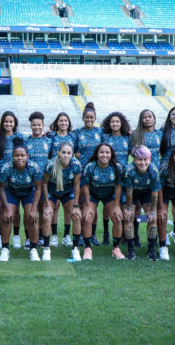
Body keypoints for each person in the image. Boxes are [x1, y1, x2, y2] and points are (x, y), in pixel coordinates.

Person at [0, 138, 44, 261]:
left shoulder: (34, 167)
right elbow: (1, 189)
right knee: (7, 217)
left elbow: (39, 189)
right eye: (17, 155)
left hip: (28, 193)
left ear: (27, 156)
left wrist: (34, 208)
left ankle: (33, 249)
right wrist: (6, 208)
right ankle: (5, 249)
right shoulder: (6, 167)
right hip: (11, 192)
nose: (20, 158)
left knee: (32, 217)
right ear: (13, 156)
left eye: (22, 155)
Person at [81, 143, 123, 261]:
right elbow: (85, 186)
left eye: (107, 152)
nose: (104, 155)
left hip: (109, 195)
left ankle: (116, 248)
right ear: (97, 154)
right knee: (87, 217)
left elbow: (118, 186)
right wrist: (88, 204)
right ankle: (88, 249)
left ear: (111, 154)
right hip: (93, 194)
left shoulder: (117, 167)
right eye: (101, 152)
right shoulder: (90, 166)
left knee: (117, 218)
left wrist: (116, 205)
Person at [42, 142, 82, 261]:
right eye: (63, 152)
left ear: (72, 154)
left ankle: (75, 249)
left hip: (67, 192)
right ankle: (46, 248)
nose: (66, 155)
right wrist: (47, 203)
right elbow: (44, 184)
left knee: (76, 216)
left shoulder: (76, 165)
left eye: (69, 153)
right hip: (52, 192)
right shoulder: (50, 165)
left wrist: (75, 205)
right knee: (47, 216)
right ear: (58, 153)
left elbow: (77, 185)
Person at [122, 145, 162, 261]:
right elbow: (129, 191)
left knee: (152, 219)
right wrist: (129, 208)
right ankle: (130, 250)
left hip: (146, 193)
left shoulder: (154, 170)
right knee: (128, 218)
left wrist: (152, 212)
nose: (143, 162)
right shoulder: (129, 170)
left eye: (145, 159)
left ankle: (151, 251)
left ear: (150, 159)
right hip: (132, 193)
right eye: (139, 159)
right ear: (134, 160)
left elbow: (155, 193)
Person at [129, 109, 162, 247]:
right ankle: (135, 236)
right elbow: (131, 151)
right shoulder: (136, 134)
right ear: (141, 120)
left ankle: (153, 241)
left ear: (154, 119)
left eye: (150, 117)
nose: (147, 119)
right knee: (135, 210)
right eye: (144, 117)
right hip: (138, 174)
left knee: (152, 211)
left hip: (154, 175)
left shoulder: (159, 134)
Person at [73, 103, 103, 246]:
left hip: (96, 174)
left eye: (92, 117)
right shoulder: (77, 132)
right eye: (87, 117)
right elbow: (68, 144)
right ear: (83, 118)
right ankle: (78, 235)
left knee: (92, 206)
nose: (89, 119)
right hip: (81, 173)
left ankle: (92, 234)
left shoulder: (100, 132)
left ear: (95, 118)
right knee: (79, 204)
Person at [0, 111, 23, 249]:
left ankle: (16, 236)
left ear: (15, 123)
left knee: (15, 209)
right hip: (1, 177)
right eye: (6, 121)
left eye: (11, 121)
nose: (8, 124)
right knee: (1, 207)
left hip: (16, 177)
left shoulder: (19, 137)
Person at [102, 111, 131, 246]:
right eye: (112, 122)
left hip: (124, 177)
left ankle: (127, 233)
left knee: (124, 204)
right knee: (109, 204)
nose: (115, 124)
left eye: (117, 122)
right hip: (109, 176)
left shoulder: (127, 138)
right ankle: (106, 231)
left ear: (121, 123)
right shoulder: (105, 138)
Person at [24, 111, 52, 248]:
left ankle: (40, 236)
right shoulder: (26, 142)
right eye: (34, 125)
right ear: (31, 126)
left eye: (39, 125)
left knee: (43, 209)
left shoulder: (49, 141)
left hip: (45, 182)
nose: (36, 127)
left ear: (43, 125)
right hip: (30, 182)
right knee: (29, 211)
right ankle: (28, 238)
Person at [47, 112, 75, 246]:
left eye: (66, 121)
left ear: (68, 123)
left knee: (69, 207)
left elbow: (77, 151)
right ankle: (53, 235)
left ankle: (66, 235)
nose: (63, 123)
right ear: (57, 122)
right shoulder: (51, 135)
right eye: (61, 121)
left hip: (68, 172)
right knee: (55, 206)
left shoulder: (73, 136)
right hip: (54, 171)